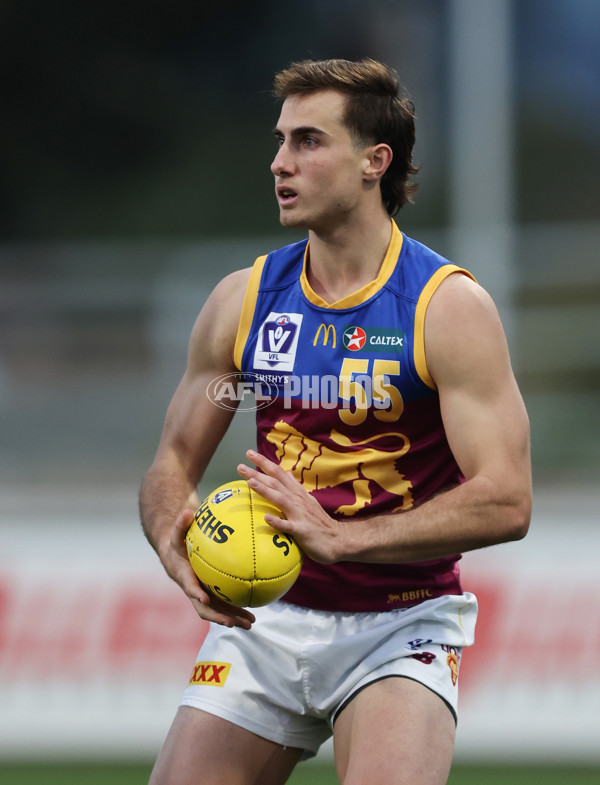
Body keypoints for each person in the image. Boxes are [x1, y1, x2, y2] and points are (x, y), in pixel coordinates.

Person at [139, 58, 531, 785]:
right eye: (282, 140)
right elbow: (171, 463)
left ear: (373, 163)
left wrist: (345, 540)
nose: (279, 161)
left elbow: (507, 497)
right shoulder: (242, 299)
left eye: (309, 141)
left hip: (399, 624)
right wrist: (171, 538)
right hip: (266, 622)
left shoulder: (445, 307)